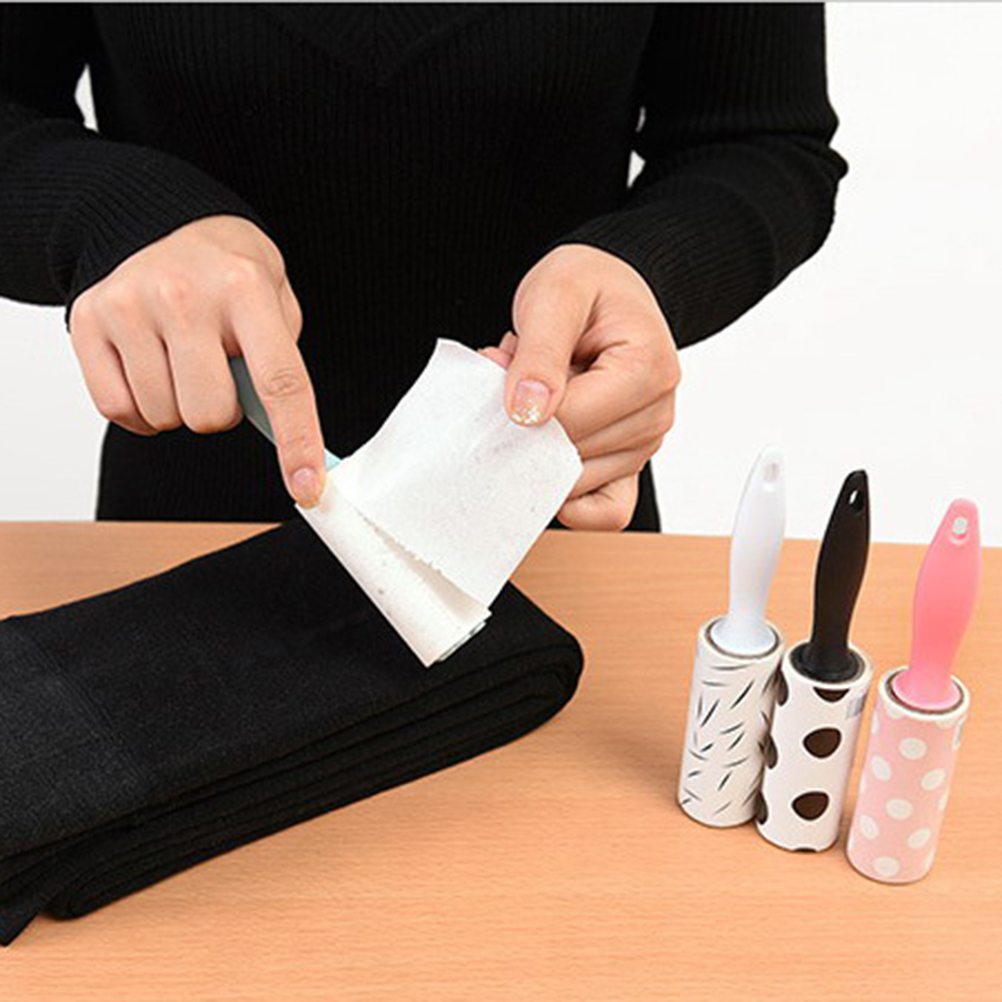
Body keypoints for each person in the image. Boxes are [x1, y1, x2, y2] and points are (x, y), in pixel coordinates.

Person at [0, 3, 846, 532]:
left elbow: (760, 138)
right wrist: (111, 212)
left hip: (549, 513)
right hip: (181, 536)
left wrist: (646, 267)